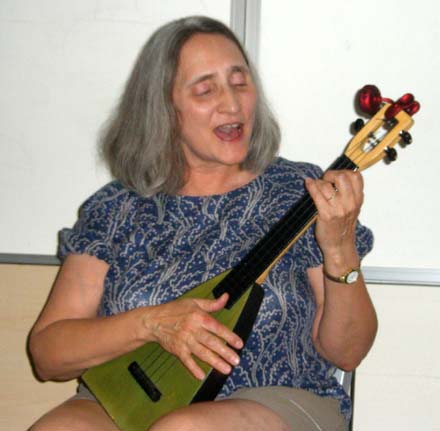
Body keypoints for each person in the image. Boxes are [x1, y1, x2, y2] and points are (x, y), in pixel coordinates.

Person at [28, 15, 377, 431]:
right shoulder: (116, 209)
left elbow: (347, 353)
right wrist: (151, 324)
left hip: (276, 395)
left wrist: (339, 248)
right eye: (206, 89)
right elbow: (48, 355)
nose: (232, 104)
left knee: (185, 429)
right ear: (163, 108)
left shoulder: (296, 192)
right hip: (133, 395)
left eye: (240, 82)